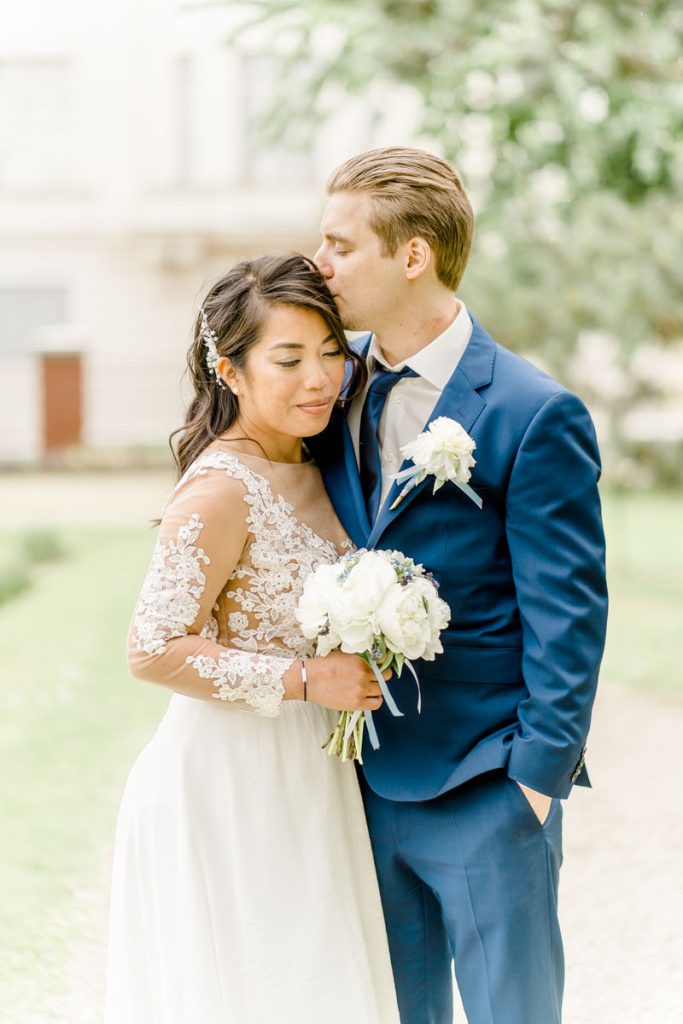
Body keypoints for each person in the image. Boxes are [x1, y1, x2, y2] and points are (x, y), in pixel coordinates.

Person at [309, 147, 608, 1024]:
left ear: (413, 255)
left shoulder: (530, 410)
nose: (319, 264)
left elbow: (568, 614)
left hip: (485, 783)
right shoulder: (324, 382)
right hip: (354, 780)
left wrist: (533, 784)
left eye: (340, 245)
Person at [104, 253, 400, 1024]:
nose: (319, 379)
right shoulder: (219, 489)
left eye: (331, 352)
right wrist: (304, 680)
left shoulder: (320, 459)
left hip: (313, 772)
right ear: (230, 371)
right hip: (232, 784)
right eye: (289, 360)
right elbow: (151, 647)